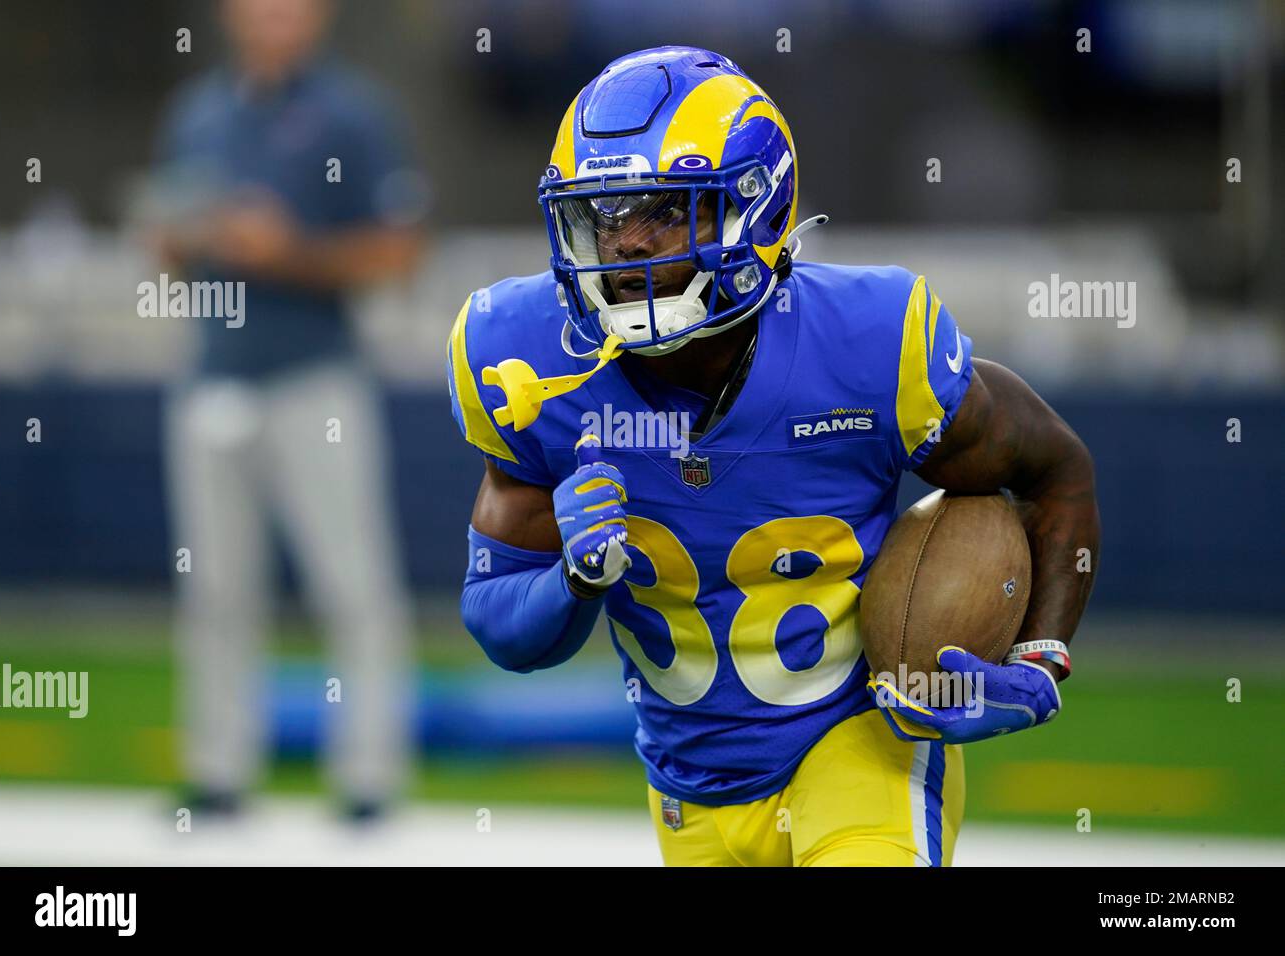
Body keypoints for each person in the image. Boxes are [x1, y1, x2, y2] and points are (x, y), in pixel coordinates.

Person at [447, 46, 1099, 866]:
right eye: (605, 218)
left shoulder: (868, 343)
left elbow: (1053, 469)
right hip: (687, 789)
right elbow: (502, 628)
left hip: (862, 747)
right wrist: (572, 582)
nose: (626, 250)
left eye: (662, 212)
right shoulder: (523, 361)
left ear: (752, 209)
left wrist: (1041, 656)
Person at [151, 0, 426, 820]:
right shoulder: (198, 112)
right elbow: (173, 257)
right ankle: (218, 772)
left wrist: (290, 251)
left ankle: (370, 780)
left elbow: (400, 248)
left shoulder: (354, 112)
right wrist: (177, 243)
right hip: (212, 376)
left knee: (353, 582)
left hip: (316, 377)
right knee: (214, 588)